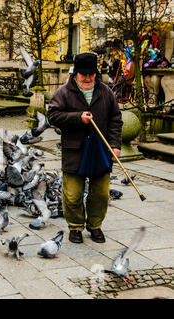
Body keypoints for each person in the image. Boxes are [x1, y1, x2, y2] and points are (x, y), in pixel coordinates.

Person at [47, 53, 123, 244]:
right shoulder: (63, 92)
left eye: (91, 74)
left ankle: (95, 225)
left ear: (96, 73)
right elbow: (53, 116)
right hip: (74, 150)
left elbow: (116, 119)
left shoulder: (106, 92)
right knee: (72, 195)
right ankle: (75, 227)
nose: (88, 78)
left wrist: (115, 145)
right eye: (83, 74)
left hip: (100, 150)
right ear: (76, 73)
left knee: (101, 194)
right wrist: (77, 118)